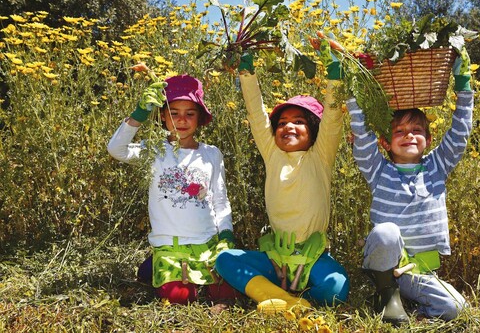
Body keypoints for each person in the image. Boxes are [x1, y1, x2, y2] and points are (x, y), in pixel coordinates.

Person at [214, 47, 349, 313]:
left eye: (298, 121)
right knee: (225, 259)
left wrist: (335, 71)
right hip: (275, 258)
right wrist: (247, 73)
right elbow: (256, 114)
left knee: (336, 288)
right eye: (281, 123)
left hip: (312, 258)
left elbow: (333, 117)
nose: (288, 126)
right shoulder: (272, 155)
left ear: (313, 130)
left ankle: (280, 294)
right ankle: (284, 300)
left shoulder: (320, 157)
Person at [347, 49, 473, 323]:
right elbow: (361, 134)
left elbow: (460, 132)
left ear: (428, 139)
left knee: (457, 309)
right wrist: (353, 86)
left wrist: (463, 83)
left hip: (418, 272)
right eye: (399, 131)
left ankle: (414, 310)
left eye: (417, 130)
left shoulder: (438, 166)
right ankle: (384, 292)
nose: (409, 136)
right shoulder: (378, 170)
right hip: (384, 263)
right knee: (386, 232)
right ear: (385, 143)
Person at [107, 74, 238, 305]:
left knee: (226, 292)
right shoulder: (155, 150)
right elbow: (117, 149)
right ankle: (158, 268)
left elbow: (220, 199)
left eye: (190, 113)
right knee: (179, 298)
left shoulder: (211, 154)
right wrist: (138, 115)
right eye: (174, 112)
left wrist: (225, 235)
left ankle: (156, 271)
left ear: (200, 118)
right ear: (163, 116)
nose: (182, 120)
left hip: (207, 243)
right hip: (170, 244)